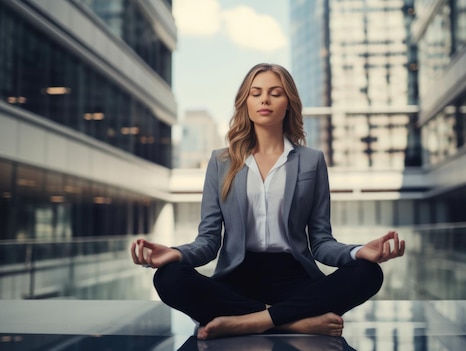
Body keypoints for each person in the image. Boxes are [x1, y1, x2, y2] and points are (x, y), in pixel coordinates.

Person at [131, 63, 405, 340]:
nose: (265, 99)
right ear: (245, 103)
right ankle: (290, 322)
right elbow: (209, 241)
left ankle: (247, 321)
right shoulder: (221, 162)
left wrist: (359, 252)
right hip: (237, 276)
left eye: (275, 93)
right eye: (256, 93)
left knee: (369, 273)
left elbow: (321, 242)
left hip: (294, 276)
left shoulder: (311, 161)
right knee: (168, 278)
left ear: (289, 103)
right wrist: (174, 254)